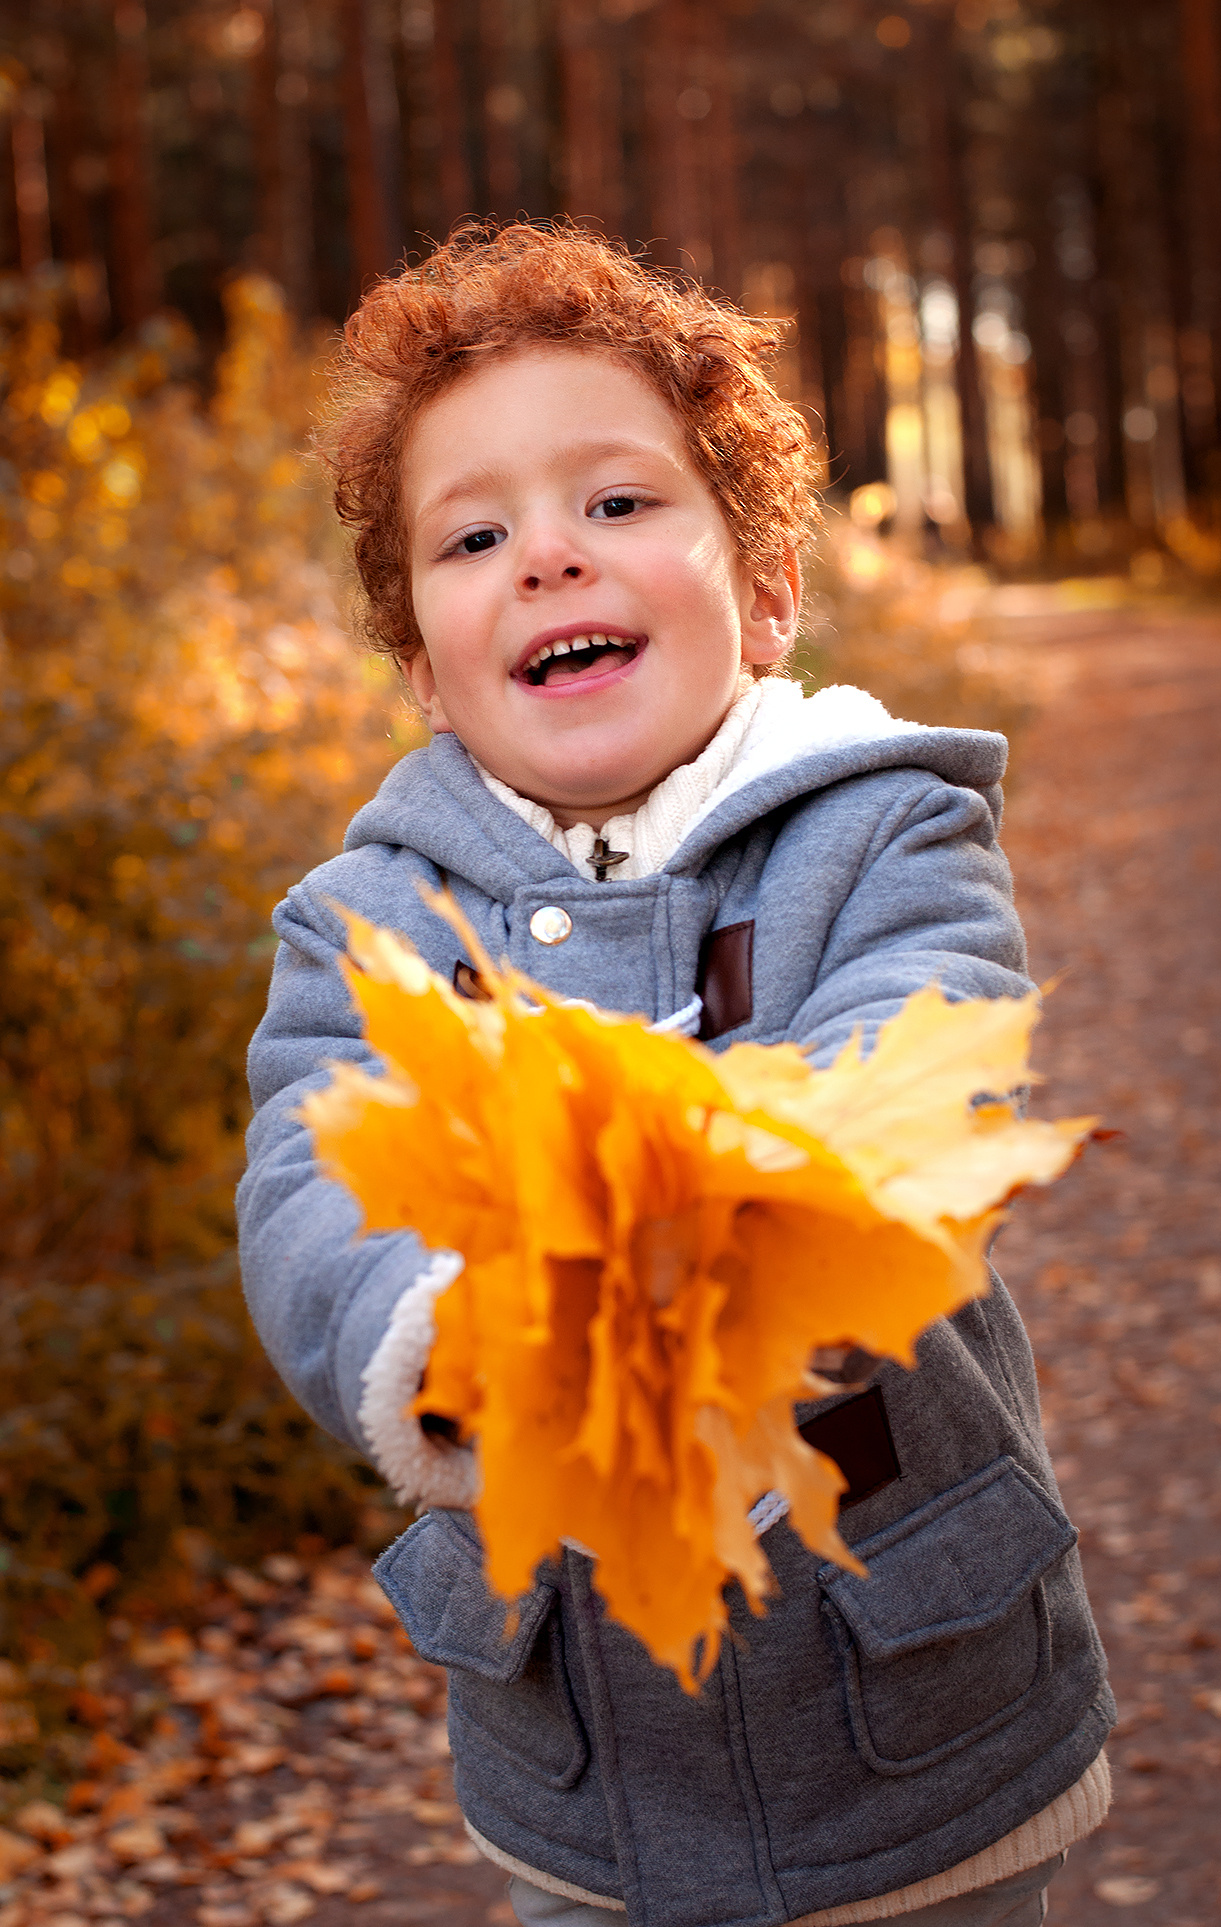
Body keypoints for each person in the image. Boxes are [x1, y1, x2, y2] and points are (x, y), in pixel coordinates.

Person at [236, 223, 1113, 1927]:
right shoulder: (367, 927)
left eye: (618, 502)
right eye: (475, 536)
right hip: (586, 1771)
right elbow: (309, 1186)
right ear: (424, 670)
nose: (549, 555)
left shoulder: (889, 831)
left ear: (767, 593)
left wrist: (713, 1199)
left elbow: (923, 1055)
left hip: (917, 1721)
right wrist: (443, 1330)